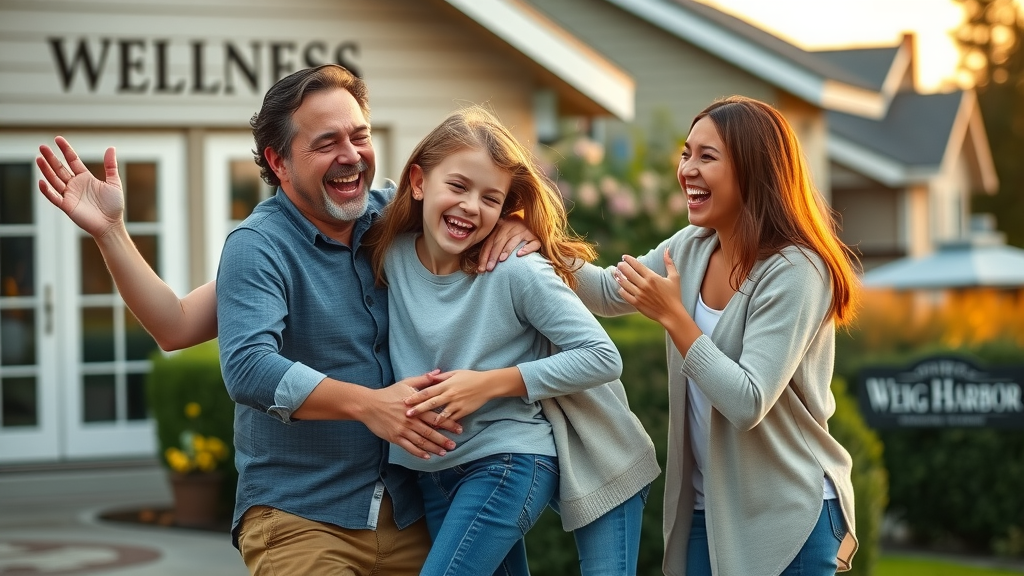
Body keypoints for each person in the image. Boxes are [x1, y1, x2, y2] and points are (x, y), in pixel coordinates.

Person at [37, 75, 659, 574]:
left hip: (411, 506)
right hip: (303, 514)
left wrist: (514, 225)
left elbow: (472, 194)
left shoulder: (389, 217)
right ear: (278, 162)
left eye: (358, 136)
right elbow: (205, 341)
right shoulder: (261, 247)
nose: (351, 155)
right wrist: (113, 232)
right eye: (326, 142)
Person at [571, 95, 860, 576]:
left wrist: (676, 320)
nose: (687, 169)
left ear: (754, 171)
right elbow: (605, 290)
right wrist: (532, 239)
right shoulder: (691, 247)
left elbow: (747, 400)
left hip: (788, 516)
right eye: (686, 154)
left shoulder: (797, 269)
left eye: (707, 156)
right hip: (709, 512)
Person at [364, 105, 659, 576]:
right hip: (431, 473)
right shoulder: (389, 247)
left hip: (506, 463)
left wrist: (488, 384)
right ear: (418, 182)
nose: (470, 207)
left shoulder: (516, 268)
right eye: (457, 186)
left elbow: (602, 356)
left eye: (490, 199)